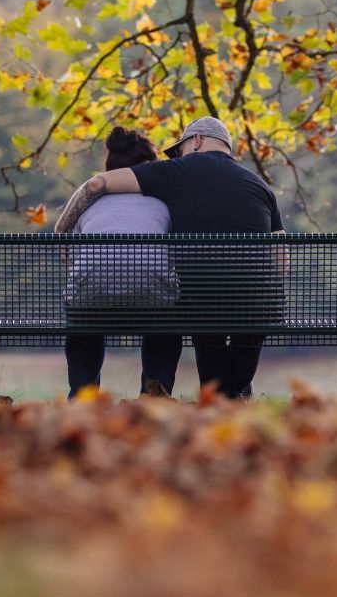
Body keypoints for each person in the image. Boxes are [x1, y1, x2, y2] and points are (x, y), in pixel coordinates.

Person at [55, 117, 285, 398]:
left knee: (201, 309)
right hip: (259, 305)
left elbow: (95, 186)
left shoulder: (176, 172)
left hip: (199, 303)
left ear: (197, 140)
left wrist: (61, 228)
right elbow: (281, 260)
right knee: (237, 314)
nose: (178, 156)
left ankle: (85, 395)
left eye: (182, 148)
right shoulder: (261, 185)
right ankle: (220, 394)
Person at [62, 127, 183, 398]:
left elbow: (70, 259)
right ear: (149, 167)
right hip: (152, 301)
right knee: (169, 315)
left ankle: (83, 395)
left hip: (91, 302)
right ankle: (155, 394)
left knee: (80, 305)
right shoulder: (164, 202)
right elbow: (174, 258)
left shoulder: (85, 203)